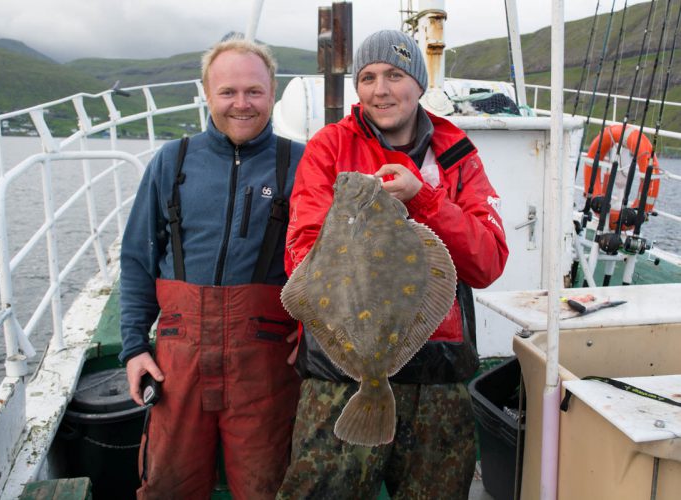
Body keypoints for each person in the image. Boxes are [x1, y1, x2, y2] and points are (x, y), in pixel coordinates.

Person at [277, 30, 508, 499]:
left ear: (419, 84)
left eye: (395, 75)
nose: (380, 90)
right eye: (367, 77)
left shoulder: (457, 153)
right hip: (340, 376)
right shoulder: (329, 148)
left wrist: (423, 199)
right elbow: (301, 248)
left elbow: (487, 261)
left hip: (438, 374)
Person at [119, 38, 304, 499]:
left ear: (272, 92)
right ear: (207, 93)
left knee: (267, 486)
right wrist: (133, 347)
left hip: (265, 360)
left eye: (254, 91)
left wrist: (316, 336)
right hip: (177, 359)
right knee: (168, 484)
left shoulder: (301, 163)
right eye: (228, 92)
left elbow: (329, 261)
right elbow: (139, 259)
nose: (241, 104)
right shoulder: (171, 161)